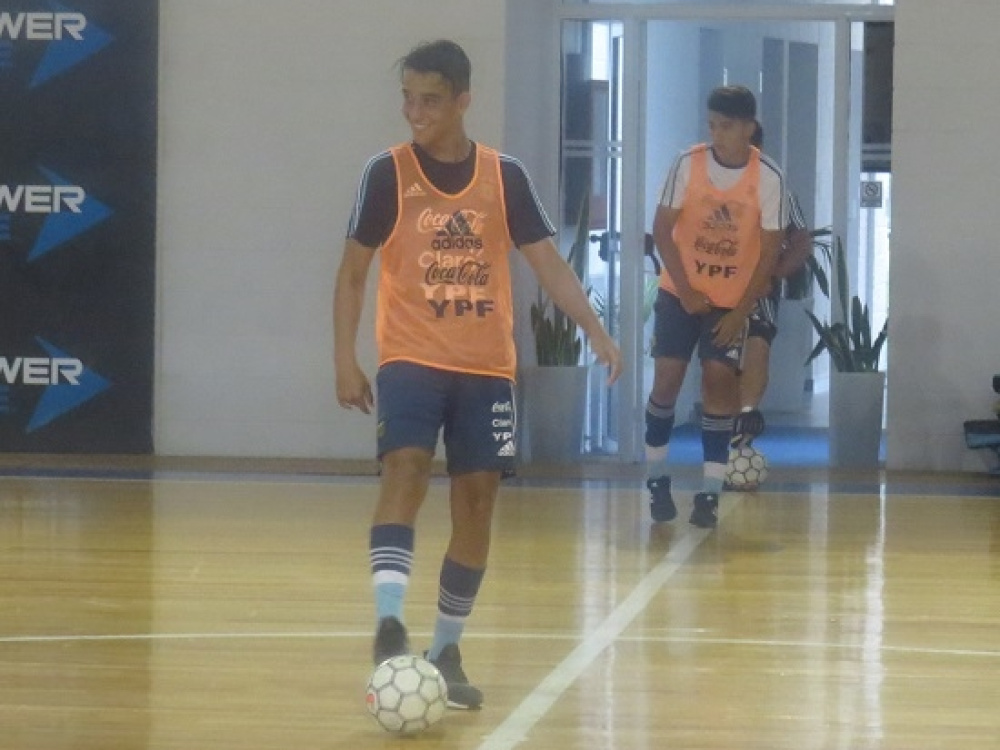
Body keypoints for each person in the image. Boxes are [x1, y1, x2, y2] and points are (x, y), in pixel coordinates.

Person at [333, 39, 622, 710]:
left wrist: (596, 330)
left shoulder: (503, 176)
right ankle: (388, 624)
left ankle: (446, 649)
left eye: (430, 100)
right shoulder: (387, 173)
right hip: (411, 357)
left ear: (463, 101)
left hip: (487, 367)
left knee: (477, 501)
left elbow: (548, 263)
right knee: (405, 468)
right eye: (408, 99)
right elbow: (352, 273)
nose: (415, 112)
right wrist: (345, 358)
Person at [645, 85, 786, 529]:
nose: (716, 134)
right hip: (680, 292)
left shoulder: (768, 178)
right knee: (667, 380)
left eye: (726, 126)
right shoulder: (687, 164)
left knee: (718, 380)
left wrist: (741, 312)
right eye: (712, 125)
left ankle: (709, 492)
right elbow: (661, 230)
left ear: (748, 128)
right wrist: (686, 291)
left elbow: (769, 253)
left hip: (730, 302)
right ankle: (656, 478)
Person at [731, 121, 812, 447]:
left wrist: (774, 274)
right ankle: (722, 427)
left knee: (758, 345)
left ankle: (744, 424)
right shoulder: (707, 188)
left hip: (759, 289)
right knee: (720, 362)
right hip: (716, 289)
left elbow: (801, 241)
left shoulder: (777, 191)